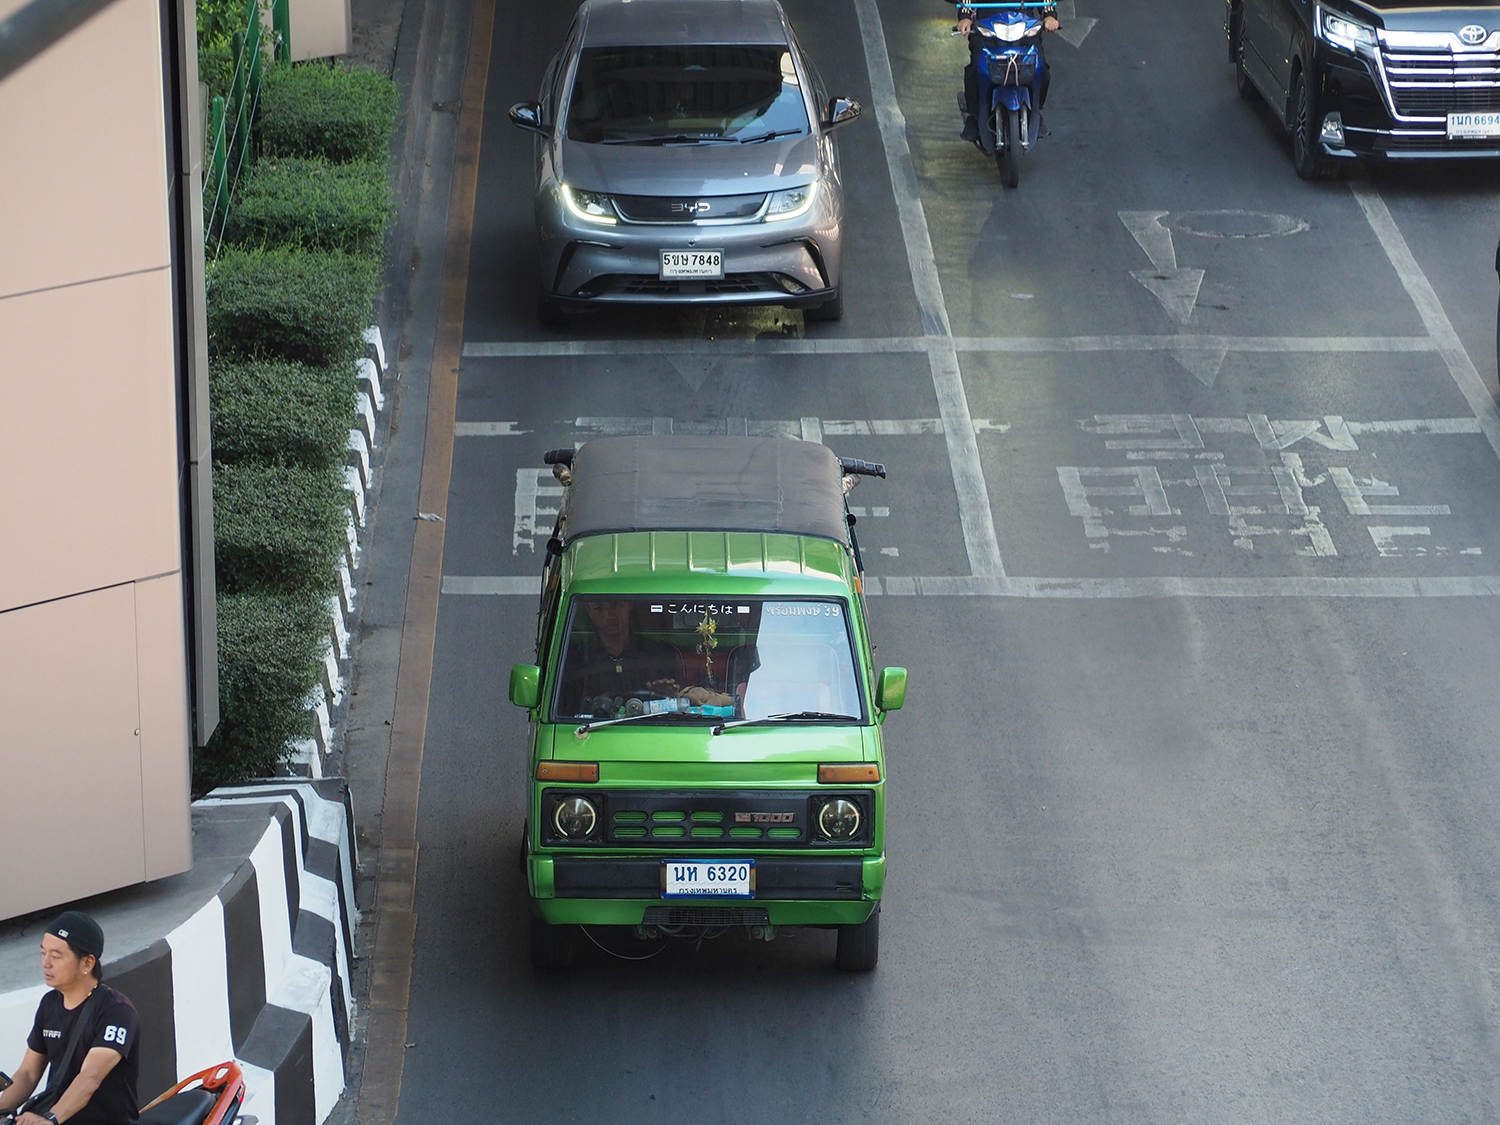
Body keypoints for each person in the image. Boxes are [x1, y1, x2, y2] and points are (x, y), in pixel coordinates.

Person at [0, 912, 140, 1125]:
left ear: (87, 963)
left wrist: (51, 1119)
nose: (45, 963)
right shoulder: (49, 1004)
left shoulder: (117, 1011)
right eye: (42, 953)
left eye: (55, 956)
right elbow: (28, 1073)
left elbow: (90, 1077)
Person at [953, 1, 1060, 142]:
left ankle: (1037, 112)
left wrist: (1049, 16)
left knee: (1041, 68)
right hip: (987, 30)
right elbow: (967, 3)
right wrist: (965, 18)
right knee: (975, 67)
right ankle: (973, 117)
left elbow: (1046, 3)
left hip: (1025, 29)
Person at [558, 601, 685, 716]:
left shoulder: (661, 656)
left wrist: (670, 697)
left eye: (616, 605)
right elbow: (566, 715)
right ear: (589, 612)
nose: (609, 615)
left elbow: (683, 709)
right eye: (598, 608)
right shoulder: (575, 661)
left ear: (629, 605)